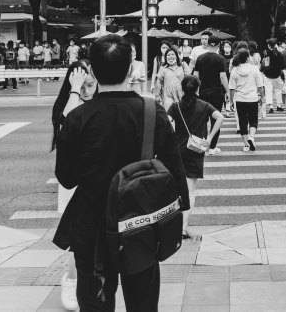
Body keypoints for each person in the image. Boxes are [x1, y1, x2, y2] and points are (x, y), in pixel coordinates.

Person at [53, 35, 189, 312]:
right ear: (130, 70)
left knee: (96, 304)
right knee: (143, 304)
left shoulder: (78, 118)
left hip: (92, 227)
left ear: (92, 71)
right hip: (140, 225)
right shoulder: (153, 113)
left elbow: (66, 178)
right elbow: (175, 173)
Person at [50, 60, 97, 311]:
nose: (87, 91)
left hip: (95, 180)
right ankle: (71, 281)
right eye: (82, 86)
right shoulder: (68, 105)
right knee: (76, 239)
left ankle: (86, 280)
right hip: (73, 181)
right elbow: (67, 124)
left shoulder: (99, 105)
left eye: (91, 84)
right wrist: (75, 90)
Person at [167, 76, 223, 239]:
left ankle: (174, 224)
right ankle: (183, 226)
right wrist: (210, 138)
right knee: (190, 189)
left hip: (178, 150)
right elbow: (220, 117)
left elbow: (167, 121)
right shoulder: (205, 105)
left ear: (182, 89)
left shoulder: (175, 106)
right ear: (197, 89)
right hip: (196, 150)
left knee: (178, 188)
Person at [193, 35, 229, 156]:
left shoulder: (200, 58)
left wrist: (195, 91)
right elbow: (223, 77)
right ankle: (213, 147)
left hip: (202, 92)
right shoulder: (221, 59)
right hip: (216, 93)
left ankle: (201, 145)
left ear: (208, 44)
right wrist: (228, 92)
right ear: (219, 45)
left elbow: (195, 76)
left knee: (202, 119)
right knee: (216, 118)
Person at [228, 48, 264, 152]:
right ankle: (251, 137)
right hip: (252, 98)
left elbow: (232, 88)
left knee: (242, 121)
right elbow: (260, 86)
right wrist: (262, 97)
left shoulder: (235, 70)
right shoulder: (254, 69)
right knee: (253, 120)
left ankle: (246, 145)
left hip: (240, 99)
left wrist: (231, 101)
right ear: (248, 57)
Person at [154, 47, 189, 111]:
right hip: (168, 96)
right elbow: (159, 82)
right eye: (168, 55)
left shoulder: (183, 66)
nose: (170, 56)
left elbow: (188, 80)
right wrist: (157, 95)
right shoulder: (163, 68)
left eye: (172, 54)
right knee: (169, 115)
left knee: (181, 116)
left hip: (182, 96)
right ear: (165, 57)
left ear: (176, 56)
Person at [262, 38, 286, 114]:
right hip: (277, 74)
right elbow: (282, 66)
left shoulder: (265, 53)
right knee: (278, 90)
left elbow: (263, 64)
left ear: (269, 45)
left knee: (268, 90)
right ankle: (279, 106)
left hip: (267, 74)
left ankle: (271, 107)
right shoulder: (279, 54)